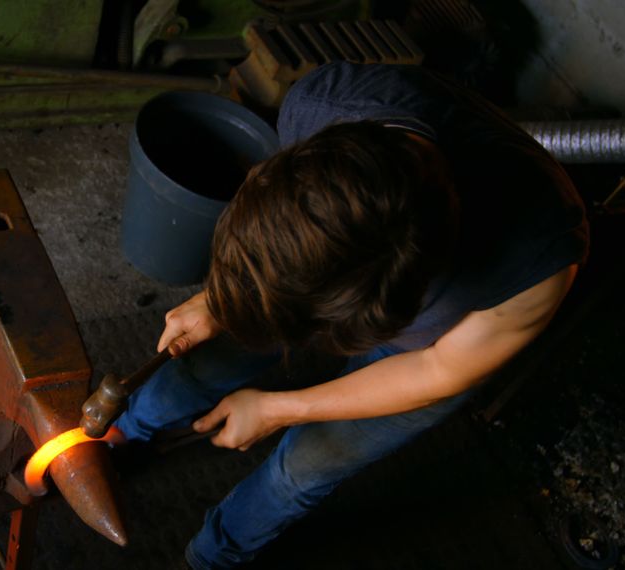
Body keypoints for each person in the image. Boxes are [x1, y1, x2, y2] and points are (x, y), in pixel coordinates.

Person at [112, 61, 589, 569]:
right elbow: (282, 231)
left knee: (307, 463)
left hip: (431, 348)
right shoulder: (324, 104)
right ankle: (123, 434)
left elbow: (437, 369)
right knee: (203, 359)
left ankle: (212, 557)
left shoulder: (539, 259)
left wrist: (280, 409)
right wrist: (222, 295)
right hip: (338, 282)